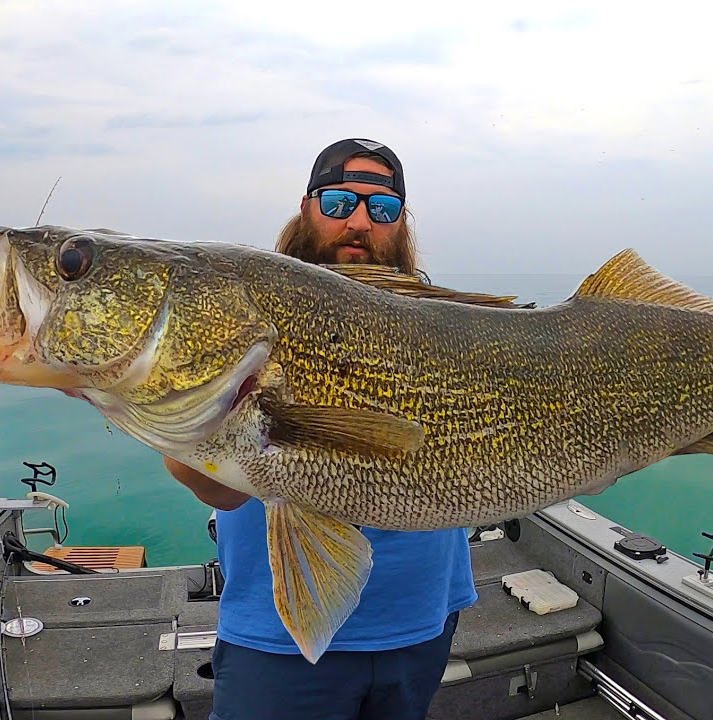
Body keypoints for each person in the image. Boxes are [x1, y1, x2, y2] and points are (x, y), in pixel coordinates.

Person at [163, 138, 478, 720]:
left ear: (401, 225)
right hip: (278, 637)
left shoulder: (441, 321)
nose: (358, 222)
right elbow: (222, 488)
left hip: (422, 618)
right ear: (306, 209)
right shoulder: (249, 313)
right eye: (338, 202)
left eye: (381, 210)